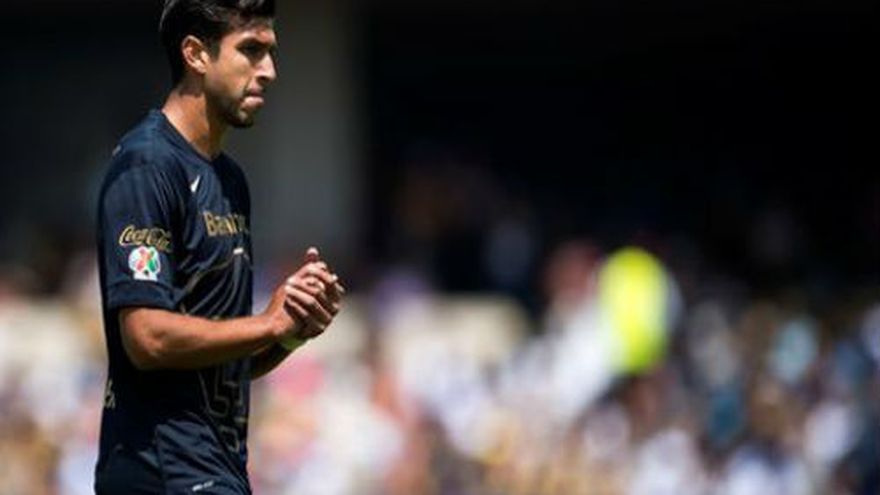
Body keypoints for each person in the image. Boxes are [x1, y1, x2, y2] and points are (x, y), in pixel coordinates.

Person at [93, 0, 344, 493]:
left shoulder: (230, 180)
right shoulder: (148, 165)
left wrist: (291, 331)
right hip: (162, 471)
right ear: (195, 54)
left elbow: (221, 361)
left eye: (270, 52)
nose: (269, 71)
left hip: (216, 469)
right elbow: (146, 338)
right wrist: (267, 322)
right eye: (250, 50)